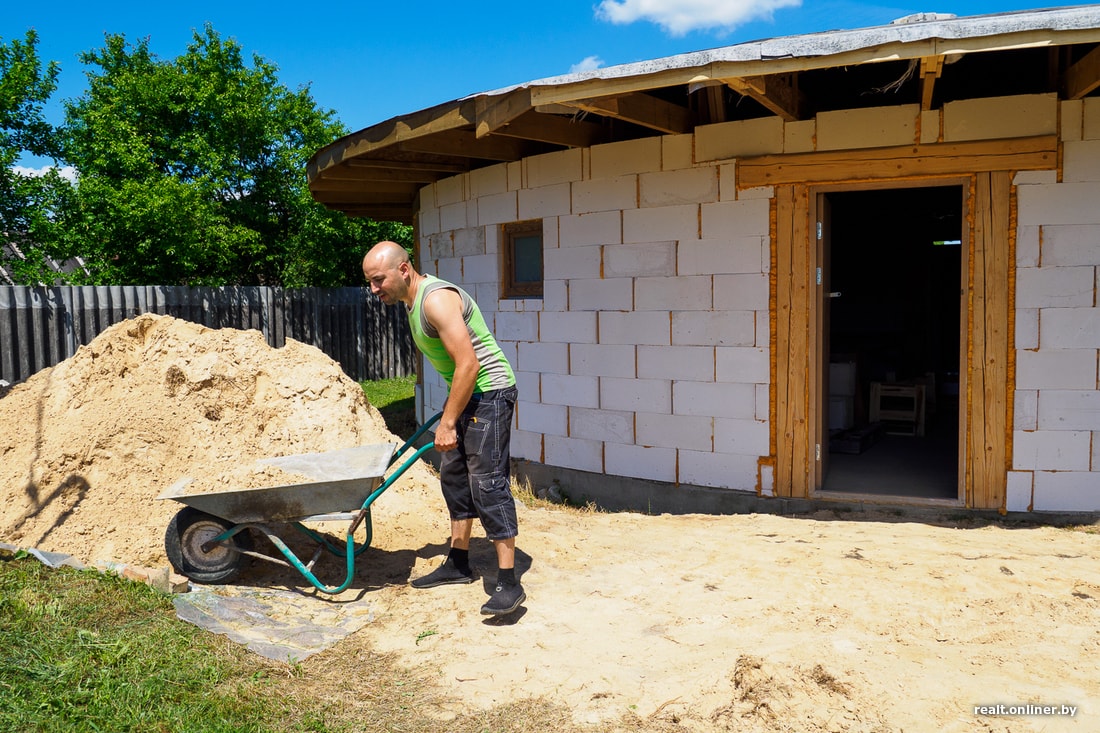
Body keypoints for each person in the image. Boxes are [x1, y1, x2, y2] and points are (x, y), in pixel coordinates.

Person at [362, 241, 524, 616]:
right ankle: (458, 562)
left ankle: (508, 582)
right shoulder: (410, 302)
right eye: (370, 282)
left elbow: (469, 364)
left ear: (404, 270)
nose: (374, 290)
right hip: (467, 394)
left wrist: (450, 421)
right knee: (453, 476)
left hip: (490, 393)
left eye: (378, 280)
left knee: (487, 482)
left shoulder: (435, 300)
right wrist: (452, 413)